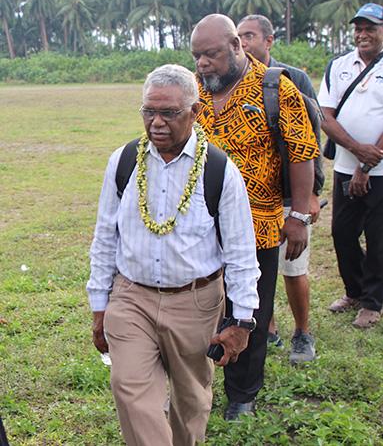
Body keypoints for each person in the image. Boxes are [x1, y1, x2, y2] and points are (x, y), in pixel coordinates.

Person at [87, 64, 260, 446]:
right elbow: (104, 237)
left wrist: (243, 320)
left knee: (190, 405)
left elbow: (241, 252)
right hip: (131, 297)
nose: (157, 123)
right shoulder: (123, 162)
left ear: (195, 112)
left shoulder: (219, 170)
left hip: (196, 302)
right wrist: (100, 304)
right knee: (132, 392)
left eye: (170, 113)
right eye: (149, 111)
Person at [191, 14, 318, 419]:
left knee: (250, 312)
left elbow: (302, 152)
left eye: (210, 54)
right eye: (196, 56)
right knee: (201, 306)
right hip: (201, 227)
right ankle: (197, 382)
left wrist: (298, 215)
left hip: (259, 224)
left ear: (235, 46)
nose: (203, 64)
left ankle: (242, 394)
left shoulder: (276, 88)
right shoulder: (194, 90)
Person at [319, 3, 383, 328]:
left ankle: (372, 302)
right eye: (359, 28)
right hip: (346, 165)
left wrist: (367, 163)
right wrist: (356, 151)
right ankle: (354, 290)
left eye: (370, 28)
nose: (363, 34)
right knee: (342, 233)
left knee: (379, 236)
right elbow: (326, 117)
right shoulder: (338, 65)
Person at [237, 14, 324, 364]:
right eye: (238, 37)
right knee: (257, 269)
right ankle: (267, 328)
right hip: (252, 196)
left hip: (290, 196)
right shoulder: (234, 80)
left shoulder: (292, 79)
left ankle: (302, 333)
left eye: (250, 36)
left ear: (269, 41)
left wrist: (311, 196)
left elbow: (311, 138)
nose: (243, 43)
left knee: (293, 267)